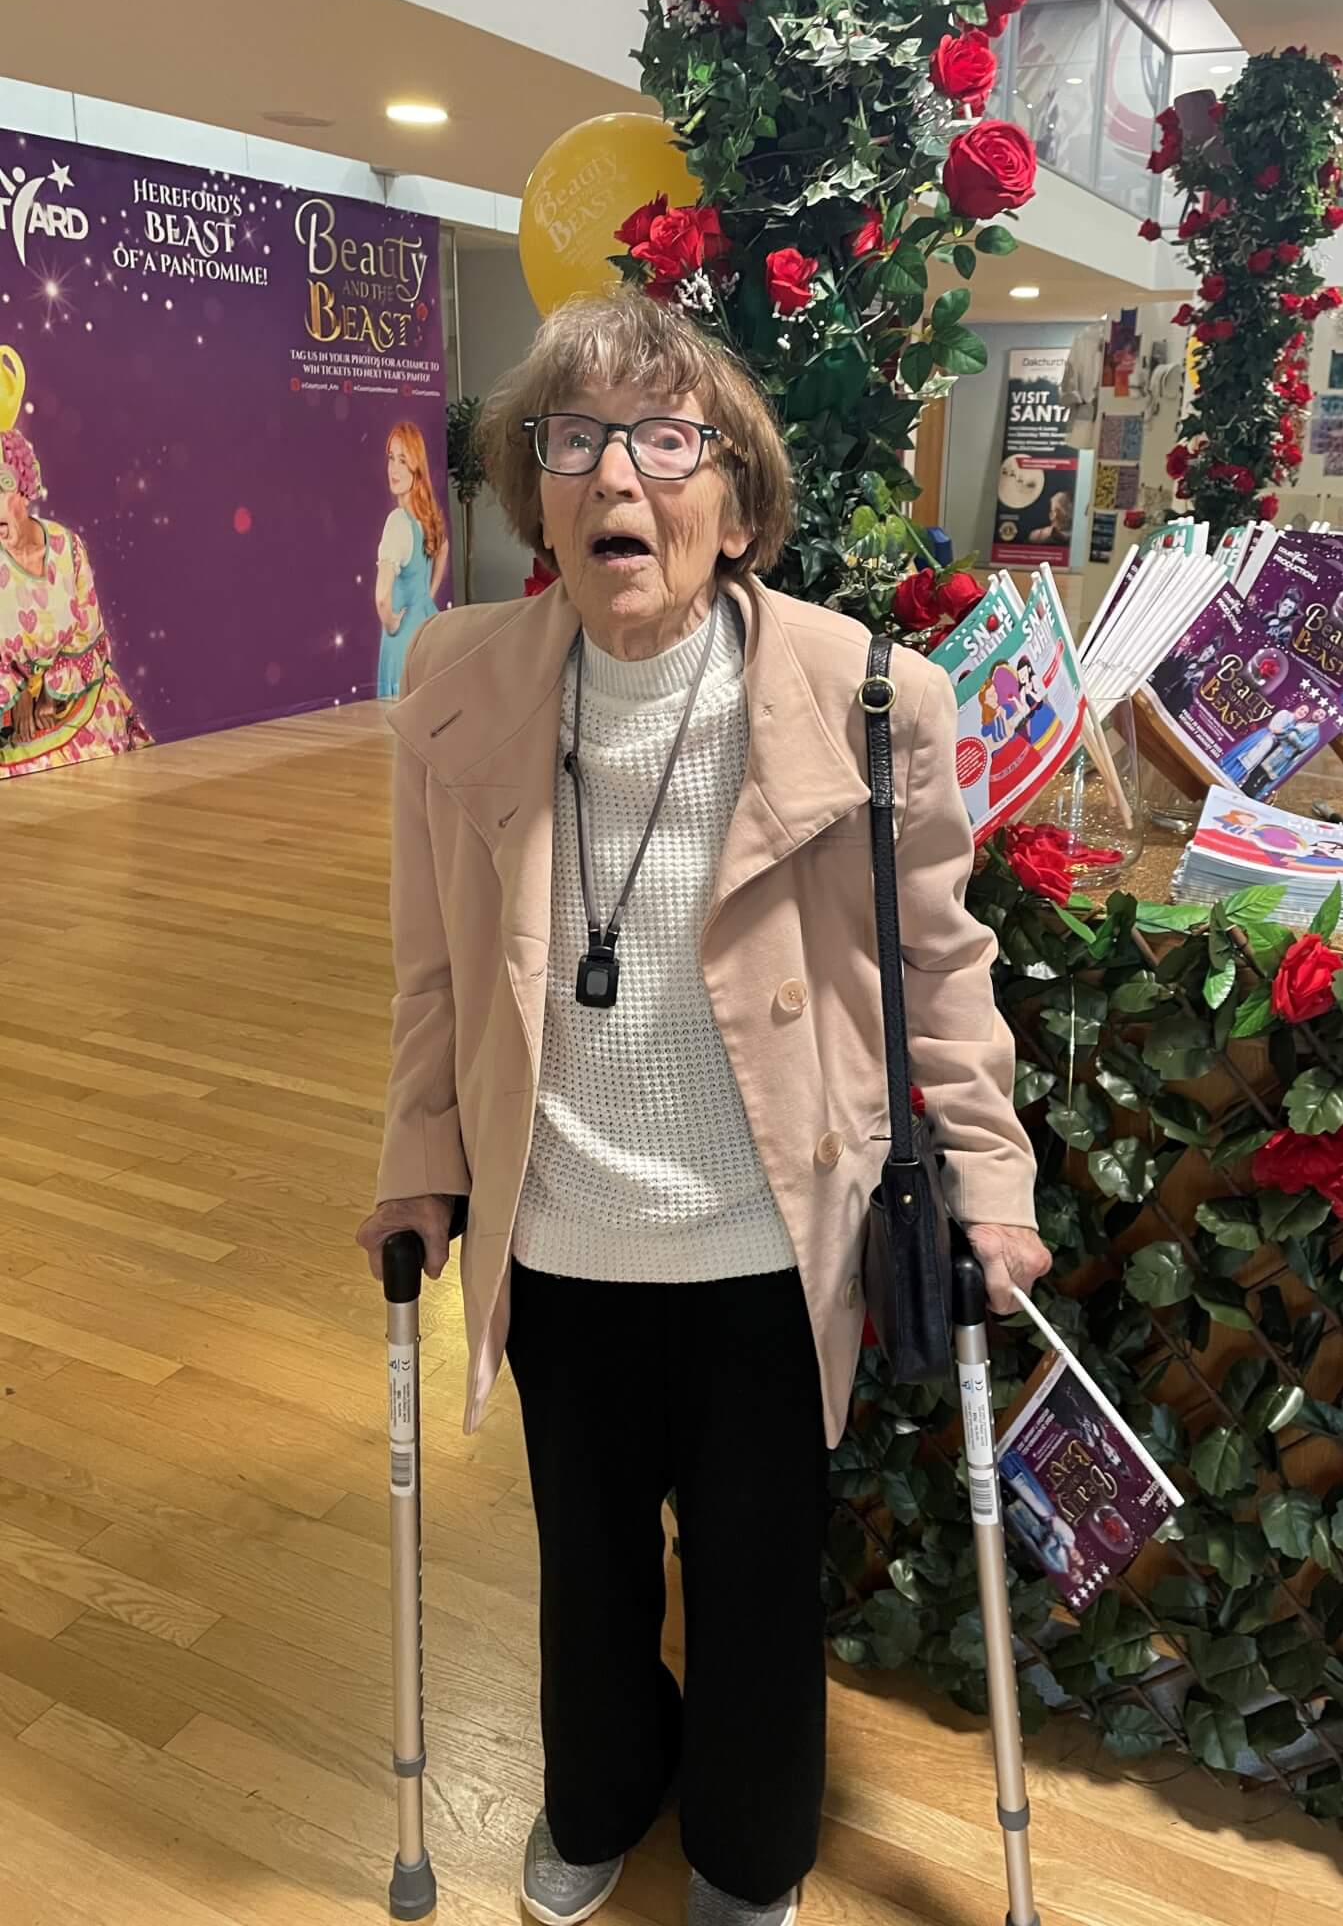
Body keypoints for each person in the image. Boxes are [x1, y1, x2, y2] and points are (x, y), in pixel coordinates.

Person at [353, 290, 1048, 1926]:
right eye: (576, 438)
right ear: (536, 490)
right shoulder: (456, 680)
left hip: (767, 1249)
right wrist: (416, 1163)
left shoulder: (872, 698)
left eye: (667, 442)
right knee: (587, 1574)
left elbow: (940, 975)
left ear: (736, 499)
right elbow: (430, 974)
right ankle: (598, 1790)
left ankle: (746, 1848)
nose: (619, 480)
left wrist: (992, 1176)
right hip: (565, 1235)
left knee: (752, 1581)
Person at [0, 428, 152, 777]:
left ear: (24, 489)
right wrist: (19, 697)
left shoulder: (67, 548)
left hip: (77, 694)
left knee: (98, 746)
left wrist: (50, 692)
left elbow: (88, 635)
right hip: (11, 716)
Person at [375, 420, 449, 700]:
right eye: (391, 458)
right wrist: (427, 595)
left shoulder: (397, 522)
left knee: (396, 727)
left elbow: (382, 597)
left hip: (402, 642)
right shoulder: (428, 517)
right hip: (428, 627)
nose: (393, 468)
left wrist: (391, 622)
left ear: (416, 467)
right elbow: (443, 549)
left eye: (403, 460)